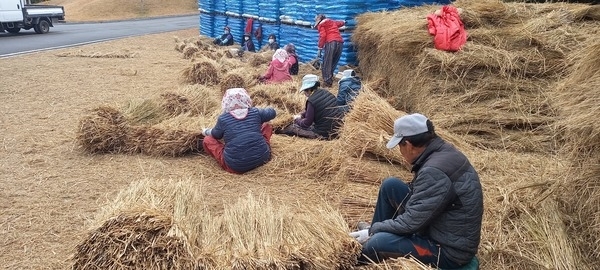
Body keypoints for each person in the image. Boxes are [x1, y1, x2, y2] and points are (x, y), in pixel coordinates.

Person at [350, 113, 484, 269]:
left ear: (408, 145)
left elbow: (410, 223)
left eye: (400, 146)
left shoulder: (434, 172)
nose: (400, 151)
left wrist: (373, 230)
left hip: (449, 251)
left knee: (378, 243)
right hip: (440, 225)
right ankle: (372, 236)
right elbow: (420, 199)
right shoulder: (443, 151)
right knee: (390, 186)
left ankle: (356, 255)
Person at [201, 88, 276, 174]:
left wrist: (205, 131)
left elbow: (216, 135)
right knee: (267, 125)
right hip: (263, 158)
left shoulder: (223, 119)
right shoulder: (255, 112)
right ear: (246, 99)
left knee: (207, 140)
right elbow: (272, 113)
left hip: (236, 167)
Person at [275, 74, 343, 140]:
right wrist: (302, 115)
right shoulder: (326, 92)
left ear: (309, 89)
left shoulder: (311, 101)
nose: (304, 92)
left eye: (305, 90)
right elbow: (317, 110)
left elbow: (306, 124)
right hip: (338, 129)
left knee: (292, 128)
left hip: (325, 133)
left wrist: (296, 119)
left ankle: (276, 130)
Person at [314, 14, 345, 87]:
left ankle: (327, 82)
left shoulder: (321, 25)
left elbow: (323, 36)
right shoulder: (332, 22)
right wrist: (344, 22)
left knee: (327, 62)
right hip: (340, 43)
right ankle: (330, 77)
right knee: (334, 62)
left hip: (331, 42)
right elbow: (340, 23)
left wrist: (320, 48)